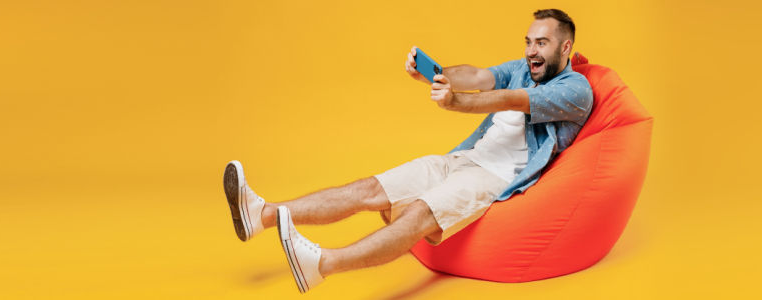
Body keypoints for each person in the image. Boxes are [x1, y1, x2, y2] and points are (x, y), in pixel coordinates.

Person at [223, 9, 593, 293]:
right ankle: (262, 215)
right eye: (528, 41)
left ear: (565, 47)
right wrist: (436, 73)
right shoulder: (523, 67)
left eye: (541, 43)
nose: (531, 51)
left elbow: (512, 99)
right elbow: (480, 77)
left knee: (418, 214)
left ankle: (322, 265)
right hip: (463, 158)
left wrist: (455, 101)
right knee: (370, 189)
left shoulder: (574, 89)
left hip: (494, 177)